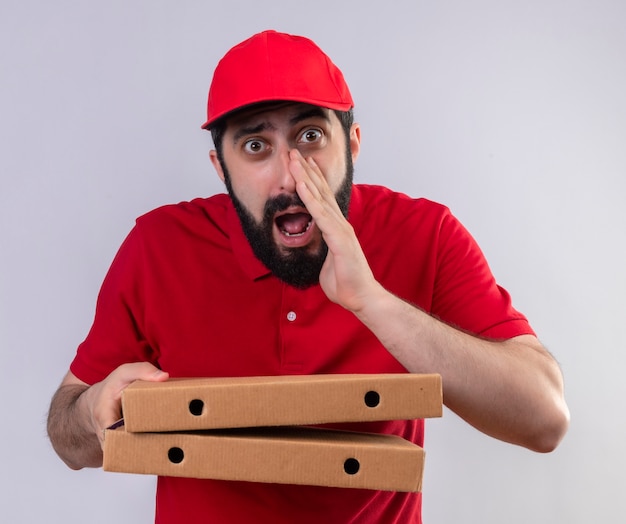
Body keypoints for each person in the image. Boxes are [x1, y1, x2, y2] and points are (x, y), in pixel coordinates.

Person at [47, 30, 569, 523]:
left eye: (311, 135)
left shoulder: (423, 234)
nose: (290, 175)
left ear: (354, 144)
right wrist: (94, 411)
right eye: (256, 146)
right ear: (219, 168)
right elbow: (66, 434)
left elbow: (544, 419)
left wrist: (373, 302)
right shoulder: (158, 247)